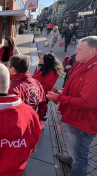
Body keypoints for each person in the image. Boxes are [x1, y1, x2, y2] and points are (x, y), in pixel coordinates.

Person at [47, 36, 97, 176]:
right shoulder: (85, 64)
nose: (75, 52)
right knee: (74, 147)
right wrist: (62, 92)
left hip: (84, 122)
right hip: (77, 118)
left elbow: (87, 102)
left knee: (81, 156)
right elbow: (78, 89)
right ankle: (71, 158)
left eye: (80, 49)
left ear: (93, 51)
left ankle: (76, 165)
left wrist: (59, 98)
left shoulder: (94, 71)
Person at [8, 55, 47, 129]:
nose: (7, 68)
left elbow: (11, 114)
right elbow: (43, 102)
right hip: (32, 122)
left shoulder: (13, 88)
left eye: (9, 66)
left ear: (13, 70)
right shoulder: (36, 82)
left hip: (20, 128)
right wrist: (40, 118)